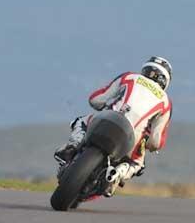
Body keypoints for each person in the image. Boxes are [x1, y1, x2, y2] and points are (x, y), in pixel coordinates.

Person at [54, 56, 173, 196]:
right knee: (137, 164)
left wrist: (103, 106)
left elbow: (96, 99)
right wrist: (147, 144)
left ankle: (72, 146)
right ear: (165, 81)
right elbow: (156, 141)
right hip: (132, 136)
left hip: (108, 119)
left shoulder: (129, 77)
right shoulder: (165, 102)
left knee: (81, 121)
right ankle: (116, 175)